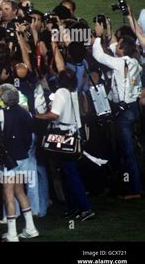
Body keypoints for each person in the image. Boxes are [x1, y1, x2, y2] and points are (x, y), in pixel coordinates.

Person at [36, 69, 96, 221]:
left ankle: (85, 208)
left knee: (70, 174)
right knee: (67, 173)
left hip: (63, 137)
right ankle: (73, 207)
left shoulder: (61, 92)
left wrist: (37, 116)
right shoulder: (73, 91)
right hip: (73, 135)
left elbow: (54, 115)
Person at [92, 23, 143, 199]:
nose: (116, 46)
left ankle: (134, 189)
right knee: (130, 151)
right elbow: (113, 49)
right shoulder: (134, 62)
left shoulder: (120, 64)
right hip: (133, 108)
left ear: (122, 49)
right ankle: (132, 185)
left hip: (124, 111)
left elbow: (99, 55)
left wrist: (98, 36)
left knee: (126, 151)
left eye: (119, 44)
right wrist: (108, 30)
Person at [0, 84, 39, 241]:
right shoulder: (26, 112)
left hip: (10, 160)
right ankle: (30, 228)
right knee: (20, 191)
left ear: (4, 99)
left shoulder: (2, 114)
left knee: (8, 196)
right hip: (23, 157)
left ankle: (12, 234)